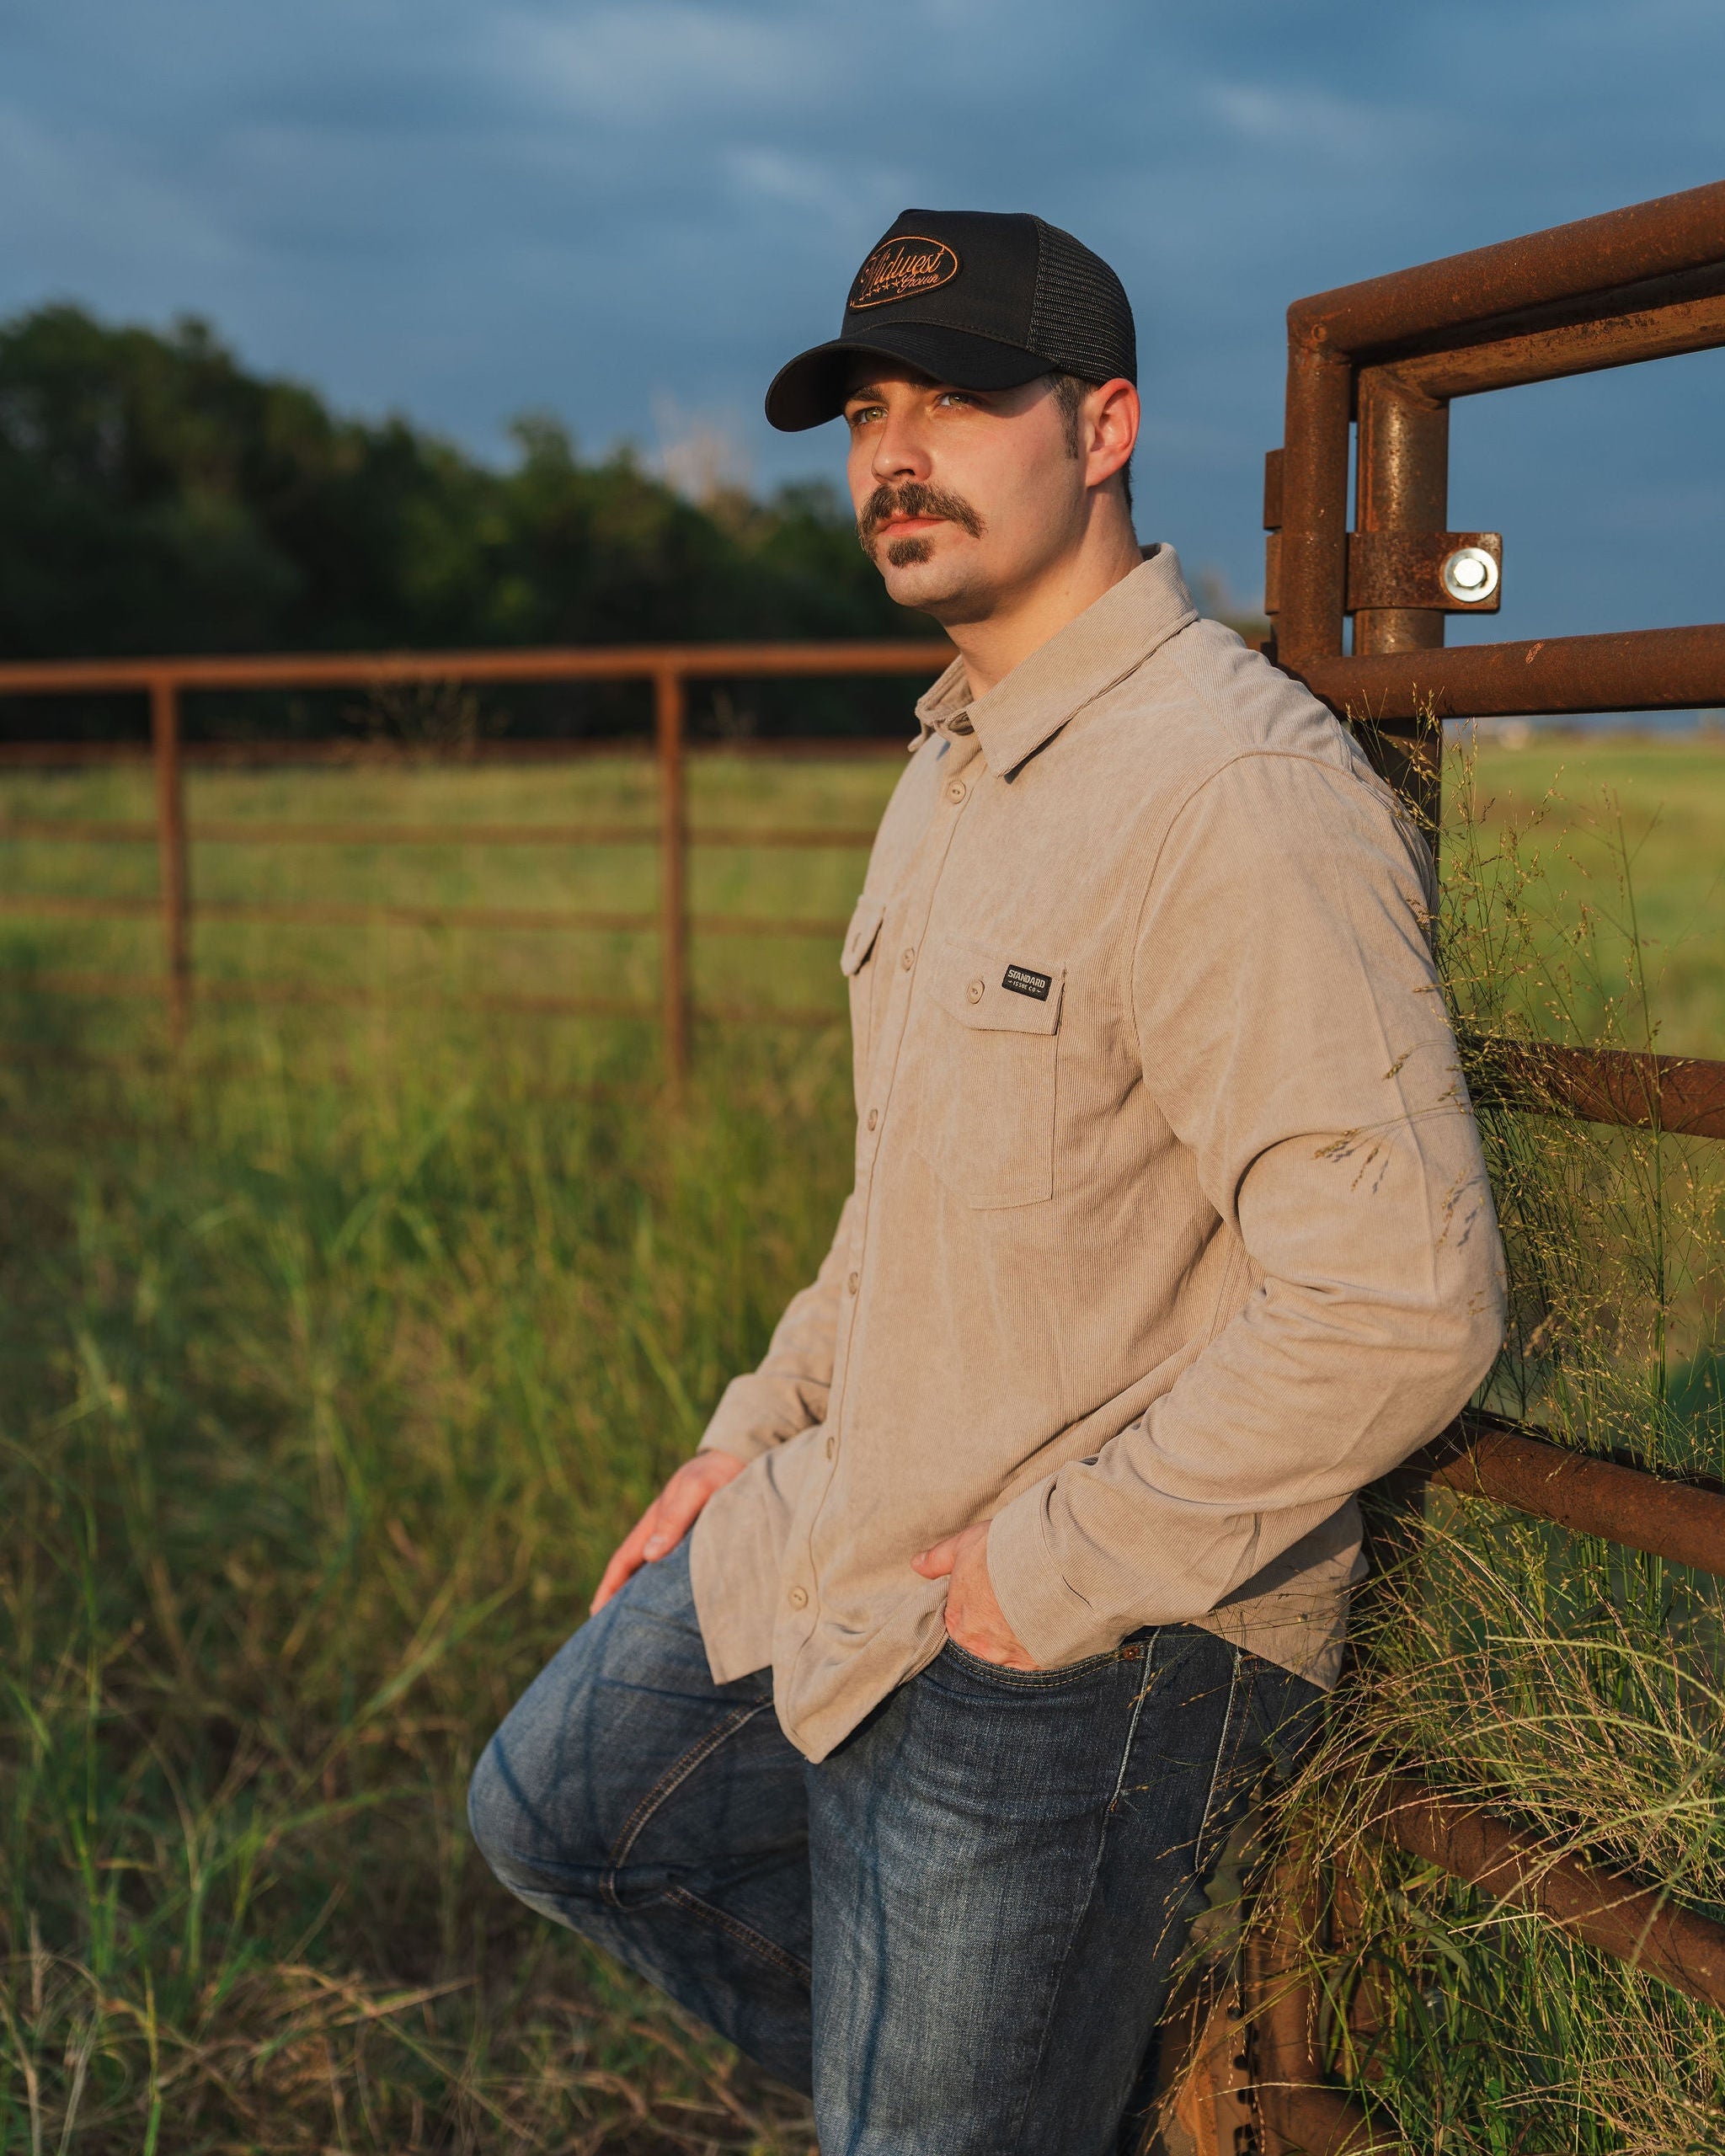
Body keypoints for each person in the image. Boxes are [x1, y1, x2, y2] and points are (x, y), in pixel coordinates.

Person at [468, 209, 1505, 2154]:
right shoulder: (954, 758)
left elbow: (1400, 1297)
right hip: (855, 1502)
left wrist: (1049, 1573)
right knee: (557, 1808)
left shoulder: (1227, 788)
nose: (890, 454)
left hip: (1072, 1624)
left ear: (1102, 425)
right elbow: (913, 1192)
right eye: (865, 409)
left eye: (953, 400)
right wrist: (750, 1432)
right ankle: (1075, 2090)